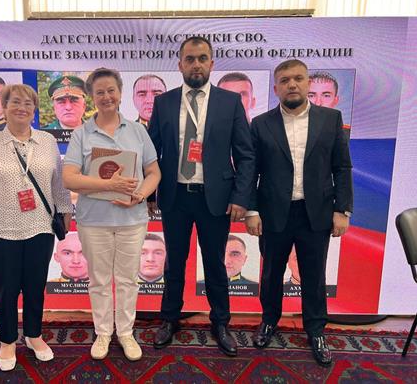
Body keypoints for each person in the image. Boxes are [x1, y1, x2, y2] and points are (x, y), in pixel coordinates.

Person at [148, 36, 254, 357]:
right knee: (174, 263)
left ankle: (220, 323)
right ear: (180, 64)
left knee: (215, 264)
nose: (196, 65)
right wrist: (149, 193)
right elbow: (151, 151)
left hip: (216, 197)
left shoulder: (229, 102)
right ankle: (169, 319)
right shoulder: (164, 102)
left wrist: (241, 197)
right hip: (175, 196)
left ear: (212, 63)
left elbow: (245, 154)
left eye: (202, 58)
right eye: (190, 59)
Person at [245, 59, 353, 367]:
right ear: (276, 88)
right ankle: (269, 321)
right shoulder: (261, 124)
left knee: (314, 275)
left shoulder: (331, 119)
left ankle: (316, 331)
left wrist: (342, 210)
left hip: (315, 213)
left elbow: (341, 167)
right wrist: (252, 210)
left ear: (307, 83)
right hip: (273, 213)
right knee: (270, 273)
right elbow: (251, 170)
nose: (292, 84)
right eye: (285, 80)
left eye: (298, 78)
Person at [0, 84, 72, 369]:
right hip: (0, 230)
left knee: (35, 287)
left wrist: (65, 211)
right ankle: (7, 341)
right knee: (6, 290)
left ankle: (34, 335)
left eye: (28, 103)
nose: (22, 108)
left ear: (34, 109)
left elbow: (58, 182)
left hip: (40, 228)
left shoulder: (47, 141)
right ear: (4, 107)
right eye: (15, 102)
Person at [63, 68, 161, 362]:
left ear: (120, 93)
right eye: (100, 92)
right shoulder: (81, 134)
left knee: (128, 279)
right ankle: (104, 332)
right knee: (99, 280)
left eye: (111, 90)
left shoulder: (137, 131)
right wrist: (110, 185)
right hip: (94, 221)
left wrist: (139, 195)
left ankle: (126, 333)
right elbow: (69, 178)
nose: (106, 97)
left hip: (132, 220)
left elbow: (154, 172)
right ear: (91, 97)